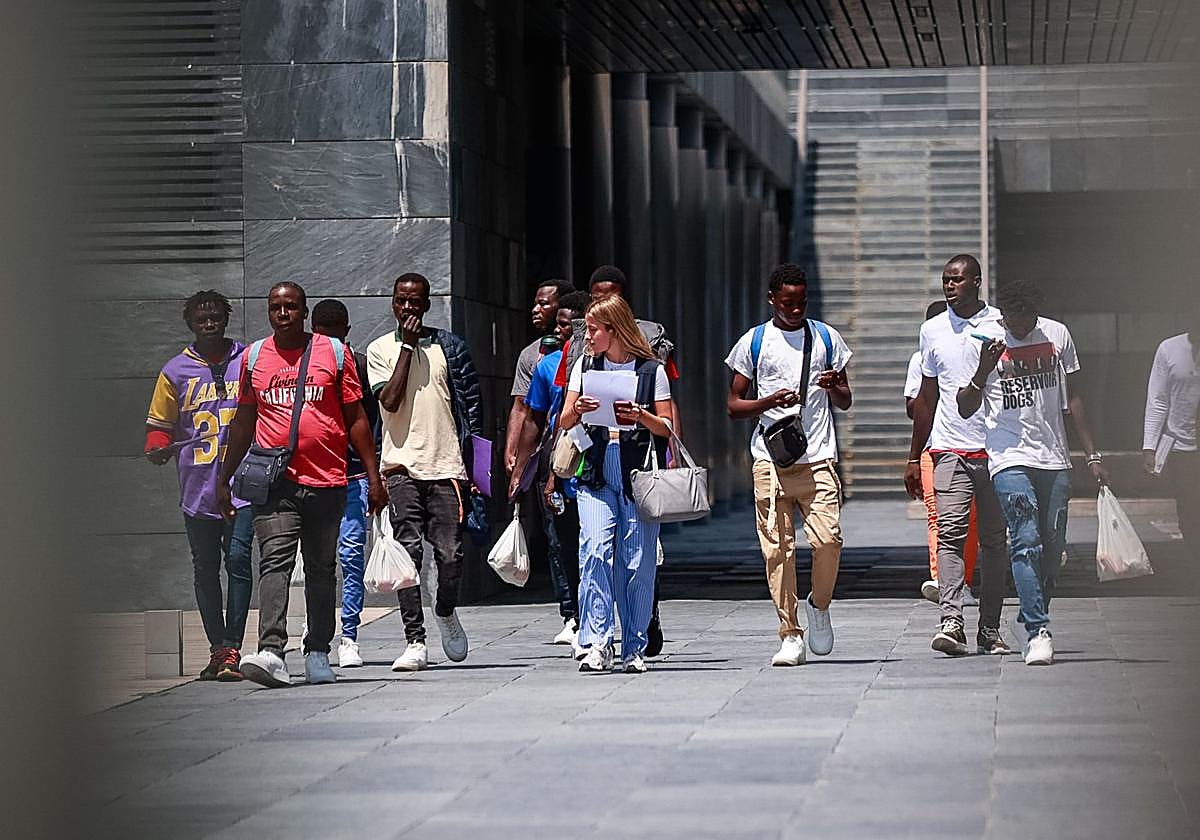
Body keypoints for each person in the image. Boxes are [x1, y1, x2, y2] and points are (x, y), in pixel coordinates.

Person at [217, 282, 388, 688]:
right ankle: (272, 652)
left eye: (291, 307)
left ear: (304, 311)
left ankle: (317, 651)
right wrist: (224, 477)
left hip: (327, 480)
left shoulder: (334, 353)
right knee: (274, 562)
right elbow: (243, 421)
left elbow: (356, 417)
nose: (283, 314)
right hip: (275, 482)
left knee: (321, 568)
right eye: (275, 307)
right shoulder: (254, 357)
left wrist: (373, 475)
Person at [957, 280, 1109, 665]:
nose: (1020, 327)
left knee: (1052, 550)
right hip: (1008, 456)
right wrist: (984, 368)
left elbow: (1075, 397)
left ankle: (1028, 611)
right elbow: (965, 406)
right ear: (1003, 314)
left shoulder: (1057, 335)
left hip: (1054, 456)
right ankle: (1038, 631)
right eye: (1012, 320)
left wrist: (1092, 454)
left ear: (1036, 314)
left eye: (1027, 320)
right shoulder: (983, 340)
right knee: (1025, 540)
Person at [725, 263, 853, 667]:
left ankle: (819, 604)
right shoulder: (754, 342)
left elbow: (846, 399)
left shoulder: (827, 338)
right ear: (772, 300)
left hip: (818, 457)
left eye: (801, 302)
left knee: (828, 541)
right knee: (777, 551)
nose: (795, 310)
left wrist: (834, 387)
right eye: (787, 303)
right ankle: (790, 633)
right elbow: (733, 405)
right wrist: (768, 402)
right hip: (770, 460)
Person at [554, 265, 678, 656]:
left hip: (636, 468)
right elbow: (564, 419)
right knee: (594, 550)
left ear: (615, 329)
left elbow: (666, 426)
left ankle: (634, 646)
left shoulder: (651, 371)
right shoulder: (585, 366)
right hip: (595, 465)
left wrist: (641, 415)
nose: (587, 337)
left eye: (593, 330)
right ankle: (596, 641)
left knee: (637, 562)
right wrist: (579, 410)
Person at [367, 273, 484, 672]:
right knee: (408, 554)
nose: (408, 308)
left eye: (415, 301)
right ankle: (414, 640)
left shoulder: (450, 347)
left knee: (451, 554)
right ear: (392, 303)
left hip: (447, 465)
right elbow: (390, 400)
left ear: (427, 304)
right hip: (399, 467)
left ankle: (445, 610)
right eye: (401, 301)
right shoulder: (380, 349)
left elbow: (472, 407)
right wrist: (407, 346)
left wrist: (476, 469)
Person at [904, 255, 1011, 657]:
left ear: (977, 282)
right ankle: (951, 621)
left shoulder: (999, 325)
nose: (949, 286)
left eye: (957, 280)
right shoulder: (931, 330)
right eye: (945, 280)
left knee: (995, 542)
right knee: (950, 534)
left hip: (997, 449)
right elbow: (927, 397)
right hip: (949, 448)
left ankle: (990, 628)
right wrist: (914, 455)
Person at [145, 290, 253, 681]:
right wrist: (157, 447)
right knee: (205, 569)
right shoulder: (174, 371)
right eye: (201, 319)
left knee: (238, 561)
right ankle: (217, 648)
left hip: (242, 487)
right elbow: (159, 426)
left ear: (226, 320)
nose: (209, 324)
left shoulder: (248, 360)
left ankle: (232, 646)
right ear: (190, 324)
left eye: (215, 318)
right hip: (197, 488)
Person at [513, 289, 592, 647]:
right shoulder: (547, 366)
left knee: (597, 545)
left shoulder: (608, 363)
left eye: (567, 325)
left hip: (600, 466)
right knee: (562, 542)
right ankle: (573, 614)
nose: (559, 331)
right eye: (558, 324)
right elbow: (533, 418)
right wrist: (521, 468)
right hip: (559, 465)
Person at [311, 299, 381, 669]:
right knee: (318, 560)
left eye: (335, 338)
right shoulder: (305, 367)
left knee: (351, 557)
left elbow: (370, 423)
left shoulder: (358, 365)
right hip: (315, 476)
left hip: (351, 475)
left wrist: (374, 474)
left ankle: (349, 635)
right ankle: (318, 632)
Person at [904, 300, 978, 605]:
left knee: (969, 518)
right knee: (937, 514)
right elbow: (912, 408)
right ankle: (941, 578)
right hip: (932, 447)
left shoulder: (974, 354)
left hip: (969, 444)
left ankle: (965, 580)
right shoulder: (919, 360)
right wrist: (932, 390)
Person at [504, 278, 573, 480]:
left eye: (543, 304)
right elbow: (520, 406)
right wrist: (512, 450)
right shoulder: (530, 354)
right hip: (541, 451)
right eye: (535, 304)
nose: (535, 310)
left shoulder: (587, 349)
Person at [1143, 313, 1200, 557]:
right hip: (1181, 447)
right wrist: (1149, 447)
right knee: (1188, 509)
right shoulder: (1169, 349)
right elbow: (1157, 400)